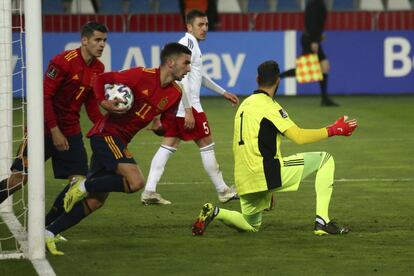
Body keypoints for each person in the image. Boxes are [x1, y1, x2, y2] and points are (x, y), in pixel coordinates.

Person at [44, 42, 192, 255]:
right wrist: (103, 102)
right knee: (136, 181)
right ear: (170, 62)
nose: (188, 68)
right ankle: (84, 185)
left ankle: (48, 231)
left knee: (95, 201)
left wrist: (159, 127)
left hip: (120, 141)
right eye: (186, 63)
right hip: (106, 136)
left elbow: (166, 125)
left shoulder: (176, 93)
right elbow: (102, 79)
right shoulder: (141, 75)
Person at [191, 60, 358, 236]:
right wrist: (333, 130)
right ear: (278, 80)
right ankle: (322, 221)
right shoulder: (270, 107)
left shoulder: (244, 105)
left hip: (243, 178)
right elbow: (299, 137)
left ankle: (215, 212)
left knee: (251, 224)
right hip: (264, 172)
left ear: (257, 78)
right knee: (325, 159)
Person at [0, 22, 108, 230]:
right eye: (97, 40)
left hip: (71, 131)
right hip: (43, 129)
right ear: (84, 40)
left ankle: (43, 227)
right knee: (18, 180)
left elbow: (90, 103)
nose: (102, 44)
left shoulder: (98, 68)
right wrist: (54, 130)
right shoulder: (62, 62)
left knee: (77, 184)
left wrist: (103, 125)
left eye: (104, 40)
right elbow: (45, 97)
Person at [140, 9, 239, 205]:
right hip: (189, 106)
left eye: (207, 25)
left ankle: (149, 191)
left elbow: (198, 76)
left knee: (168, 145)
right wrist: (187, 110)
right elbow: (181, 80)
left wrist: (222, 92)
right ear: (189, 27)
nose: (205, 29)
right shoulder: (187, 44)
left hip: (178, 106)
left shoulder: (190, 45)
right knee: (207, 145)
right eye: (200, 25)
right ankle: (223, 190)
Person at [280, 0, 338, 107]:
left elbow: (315, 23)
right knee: (303, 70)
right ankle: (277, 76)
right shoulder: (316, 4)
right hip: (310, 39)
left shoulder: (314, 3)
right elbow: (312, 23)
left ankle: (325, 99)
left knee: (325, 66)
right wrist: (315, 40)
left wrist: (319, 36)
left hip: (311, 38)